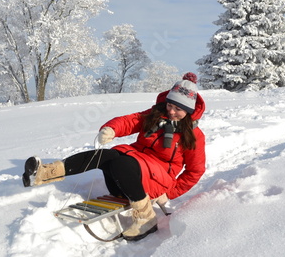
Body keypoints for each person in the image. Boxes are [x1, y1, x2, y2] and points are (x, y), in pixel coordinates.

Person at [22, 72, 206, 241]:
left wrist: (170, 192)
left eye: (178, 109)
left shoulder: (194, 135)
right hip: (126, 180)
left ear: (188, 111)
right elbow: (131, 121)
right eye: (170, 105)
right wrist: (111, 128)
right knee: (105, 155)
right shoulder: (155, 116)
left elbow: (195, 171)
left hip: (155, 181)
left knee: (121, 163)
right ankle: (43, 174)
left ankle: (145, 217)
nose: (171, 111)